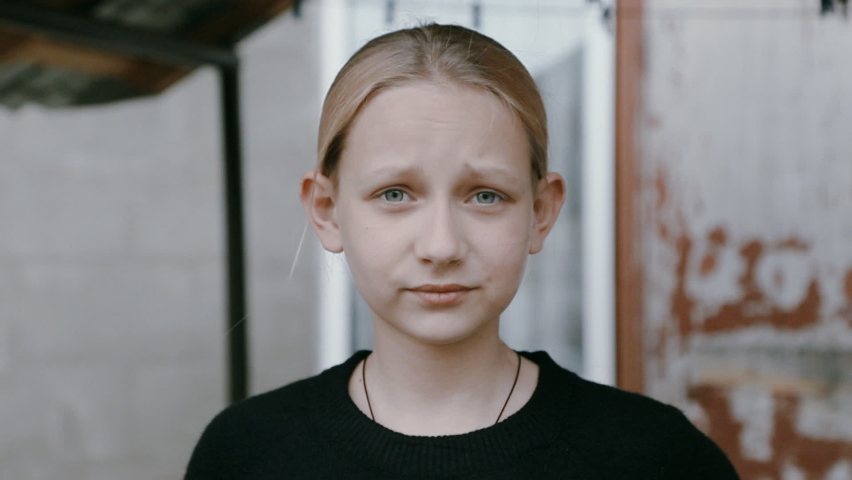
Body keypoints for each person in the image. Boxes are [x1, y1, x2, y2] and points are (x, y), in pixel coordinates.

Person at [185, 23, 740, 479]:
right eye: (395, 194)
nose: (442, 246)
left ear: (541, 212)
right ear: (327, 210)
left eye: (485, 195)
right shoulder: (246, 455)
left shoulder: (656, 459)